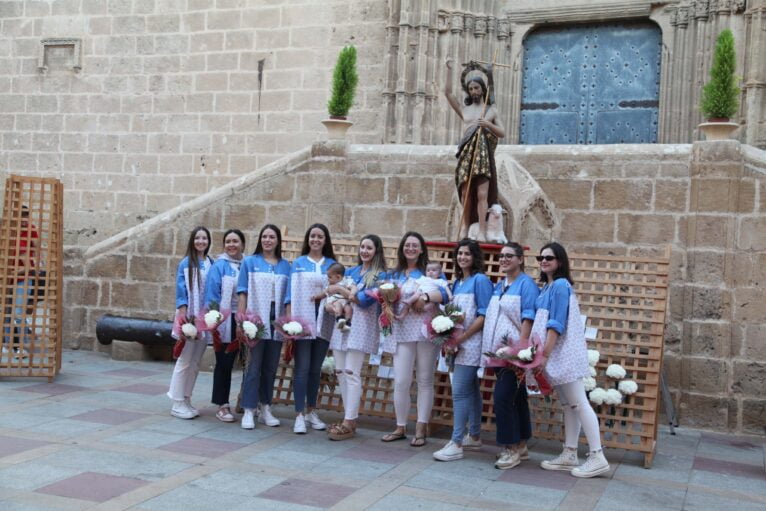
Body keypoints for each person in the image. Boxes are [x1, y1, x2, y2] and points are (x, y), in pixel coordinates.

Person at [534, 242, 609, 478]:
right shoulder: (548, 287)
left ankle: (597, 455)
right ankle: (570, 452)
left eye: (550, 257)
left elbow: (556, 322)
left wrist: (544, 354)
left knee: (579, 403)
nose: (544, 261)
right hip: (556, 353)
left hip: (561, 353)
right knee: (569, 404)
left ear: (560, 261)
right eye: (541, 257)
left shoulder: (559, 286)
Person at [382, 232, 449, 447]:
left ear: (421, 250)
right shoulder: (394, 275)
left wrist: (425, 298)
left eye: (415, 245)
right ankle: (400, 426)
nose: (410, 248)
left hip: (424, 331)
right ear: (402, 248)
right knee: (401, 381)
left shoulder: (430, 273)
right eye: (407, 245)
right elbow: (384, 299)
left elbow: (446, 295)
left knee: (424, 380)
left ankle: (421, 428)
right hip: (402, 331)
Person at [433, 239, 493, 462]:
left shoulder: (480, 281)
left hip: (471, 345)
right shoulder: (457, 282)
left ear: (475, 257)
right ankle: (474, 435)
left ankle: (456, 442)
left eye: (467, 254)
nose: (462, 257)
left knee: (459, 391)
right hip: (457, 344)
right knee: (472, 390)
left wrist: (462, 337)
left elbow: (484, 315)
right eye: (459, 253)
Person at [481, 242, 539, 469]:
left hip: (514, 356)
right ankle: (522, 445)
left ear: (520, 259)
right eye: (501, 256)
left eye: (509, 256)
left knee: (503, 398)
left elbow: (528, 318)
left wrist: (521, 352)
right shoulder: (500, 285)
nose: (503, 259)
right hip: (498, 353)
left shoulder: (526, 284)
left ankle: (510, 448)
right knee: (516, 398)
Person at [326, 234, 387, 441]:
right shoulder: (351, 271)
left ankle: (350, 420)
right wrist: (336, 295)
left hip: (361, 327)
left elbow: (361, 299)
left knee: (352, 372)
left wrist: (341, 290)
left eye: (369, 248)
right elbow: (332, 292)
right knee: (340, 372)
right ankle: (347, 417)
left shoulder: (379, 276)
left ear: (376, 251)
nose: (364, 251)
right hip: (342, 325)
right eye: (362, 247)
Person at [236, 224, 291, 430]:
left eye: (272, 237)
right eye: (265, 236)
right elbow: (242, 292)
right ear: (260, 240)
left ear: (278, 241)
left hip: (276, 320)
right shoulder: (250, 262)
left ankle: (265, 406)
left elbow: (288, 298)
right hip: (255, 319)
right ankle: (249, 409)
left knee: (270, 367)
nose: (268, 240)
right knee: (253, 365)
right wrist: (241, 320)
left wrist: (288, 324)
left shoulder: (286, 265)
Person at [444, 60, 505, 241]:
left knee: (481, 193)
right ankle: (464, 228)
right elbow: (447, 94)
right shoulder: (465, 109)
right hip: (467, 153)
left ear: (483, 89)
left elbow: (502, 132)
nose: (474, 92)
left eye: (477, 88)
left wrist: (487, 124)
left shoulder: (491, 110)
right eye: (471, 89)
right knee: (466, 192)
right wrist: (449, 70)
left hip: (483, 155)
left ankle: (482, 230)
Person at [285, 223, 336, 434]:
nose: (316, 240)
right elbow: (290, 293)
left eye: (320, 236)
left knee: (316, 369)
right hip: (303, 322)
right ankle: (298, 414)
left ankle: (311, 411)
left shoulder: (332, 265)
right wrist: (289, 321)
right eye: (313, 236)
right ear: (308, 239)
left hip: (324, 321)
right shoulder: (297, 263)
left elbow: (338, 290)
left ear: (325, 240)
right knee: (302, 368)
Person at [167, 226, 214, 419]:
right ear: (192, 241)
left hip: (205, 318)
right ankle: (176, 401)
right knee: (185, 359)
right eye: (198, 238)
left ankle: (186, 398)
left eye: (204, 238)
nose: (201, 241)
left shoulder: (211, 262)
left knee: (195, 361)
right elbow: (181, 291)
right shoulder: (186, 263)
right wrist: (184, 315)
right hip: (190, 316)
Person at [204, 229, 245, 423]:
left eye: (235, 241)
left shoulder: (247, 263)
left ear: (242, 244)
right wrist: (215, 320)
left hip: (246, 318)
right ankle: (222, 404)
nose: (231, 245)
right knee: (225, 363)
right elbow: (212, 293)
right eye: (228, 241)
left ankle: (247, 401)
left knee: (250, 363)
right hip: (225, 319)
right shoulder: (219, 266)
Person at [2, 205, 38, 360]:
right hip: (10, 281)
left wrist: (13, 272)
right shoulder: (11, 237)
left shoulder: (22, 239)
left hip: (22, 280)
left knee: (18, 314)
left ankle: (19, 347)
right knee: (9, 314)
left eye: (25, 216)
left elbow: (31, 264)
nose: (23, 219)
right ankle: (8, 346)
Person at [315, 262, 356, 332]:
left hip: (345, 301)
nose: (328, 279)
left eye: (330, 277)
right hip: (334, 302)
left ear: (338, 277)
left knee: (349, 309)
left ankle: (347, 324)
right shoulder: (331, 285)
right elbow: (324, 293)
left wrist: (352, 293)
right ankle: (339, 319)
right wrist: (316, 296)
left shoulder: (346, 281)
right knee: (338, 306)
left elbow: (354, 287)